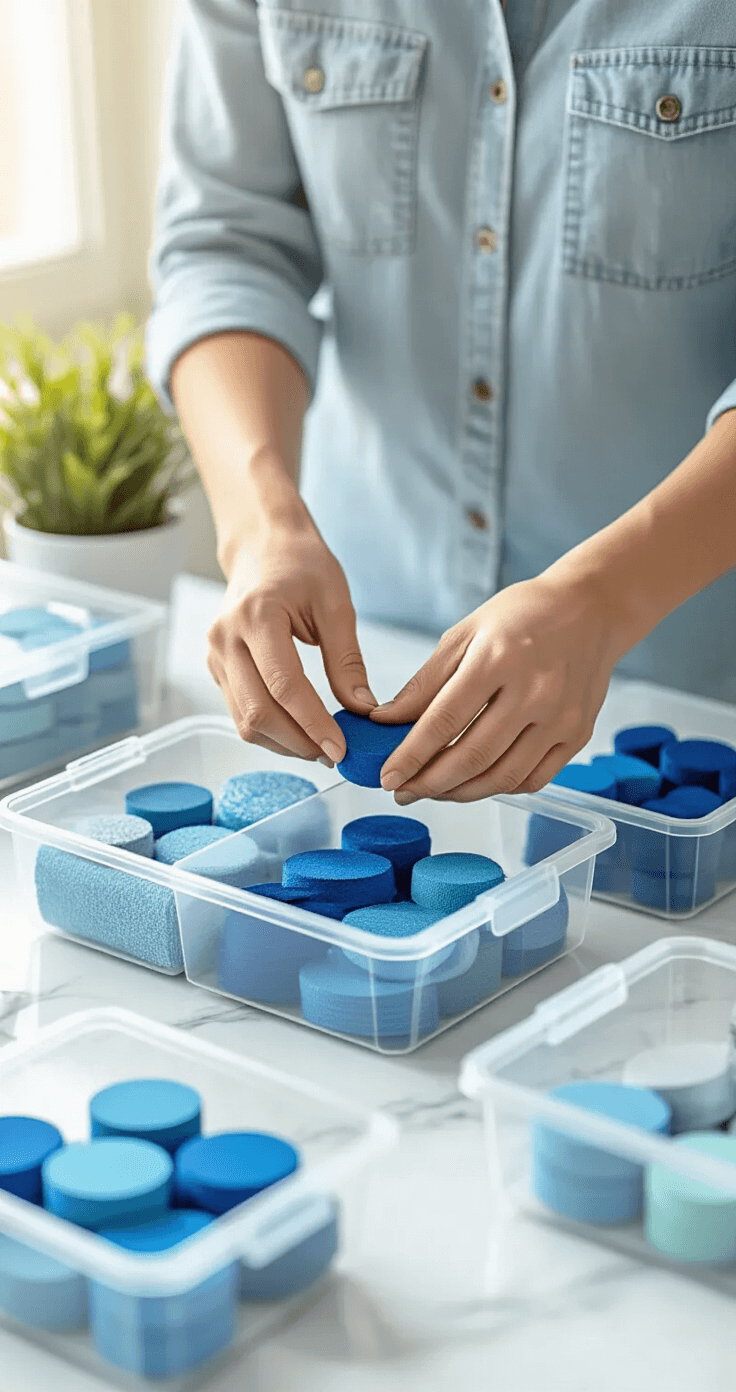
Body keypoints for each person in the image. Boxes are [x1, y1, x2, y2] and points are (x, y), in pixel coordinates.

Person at [147, 1, 736, 806]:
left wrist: (607, 598)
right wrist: (259, 526)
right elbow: (225, 245)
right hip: (361, 664)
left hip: (701, 695)